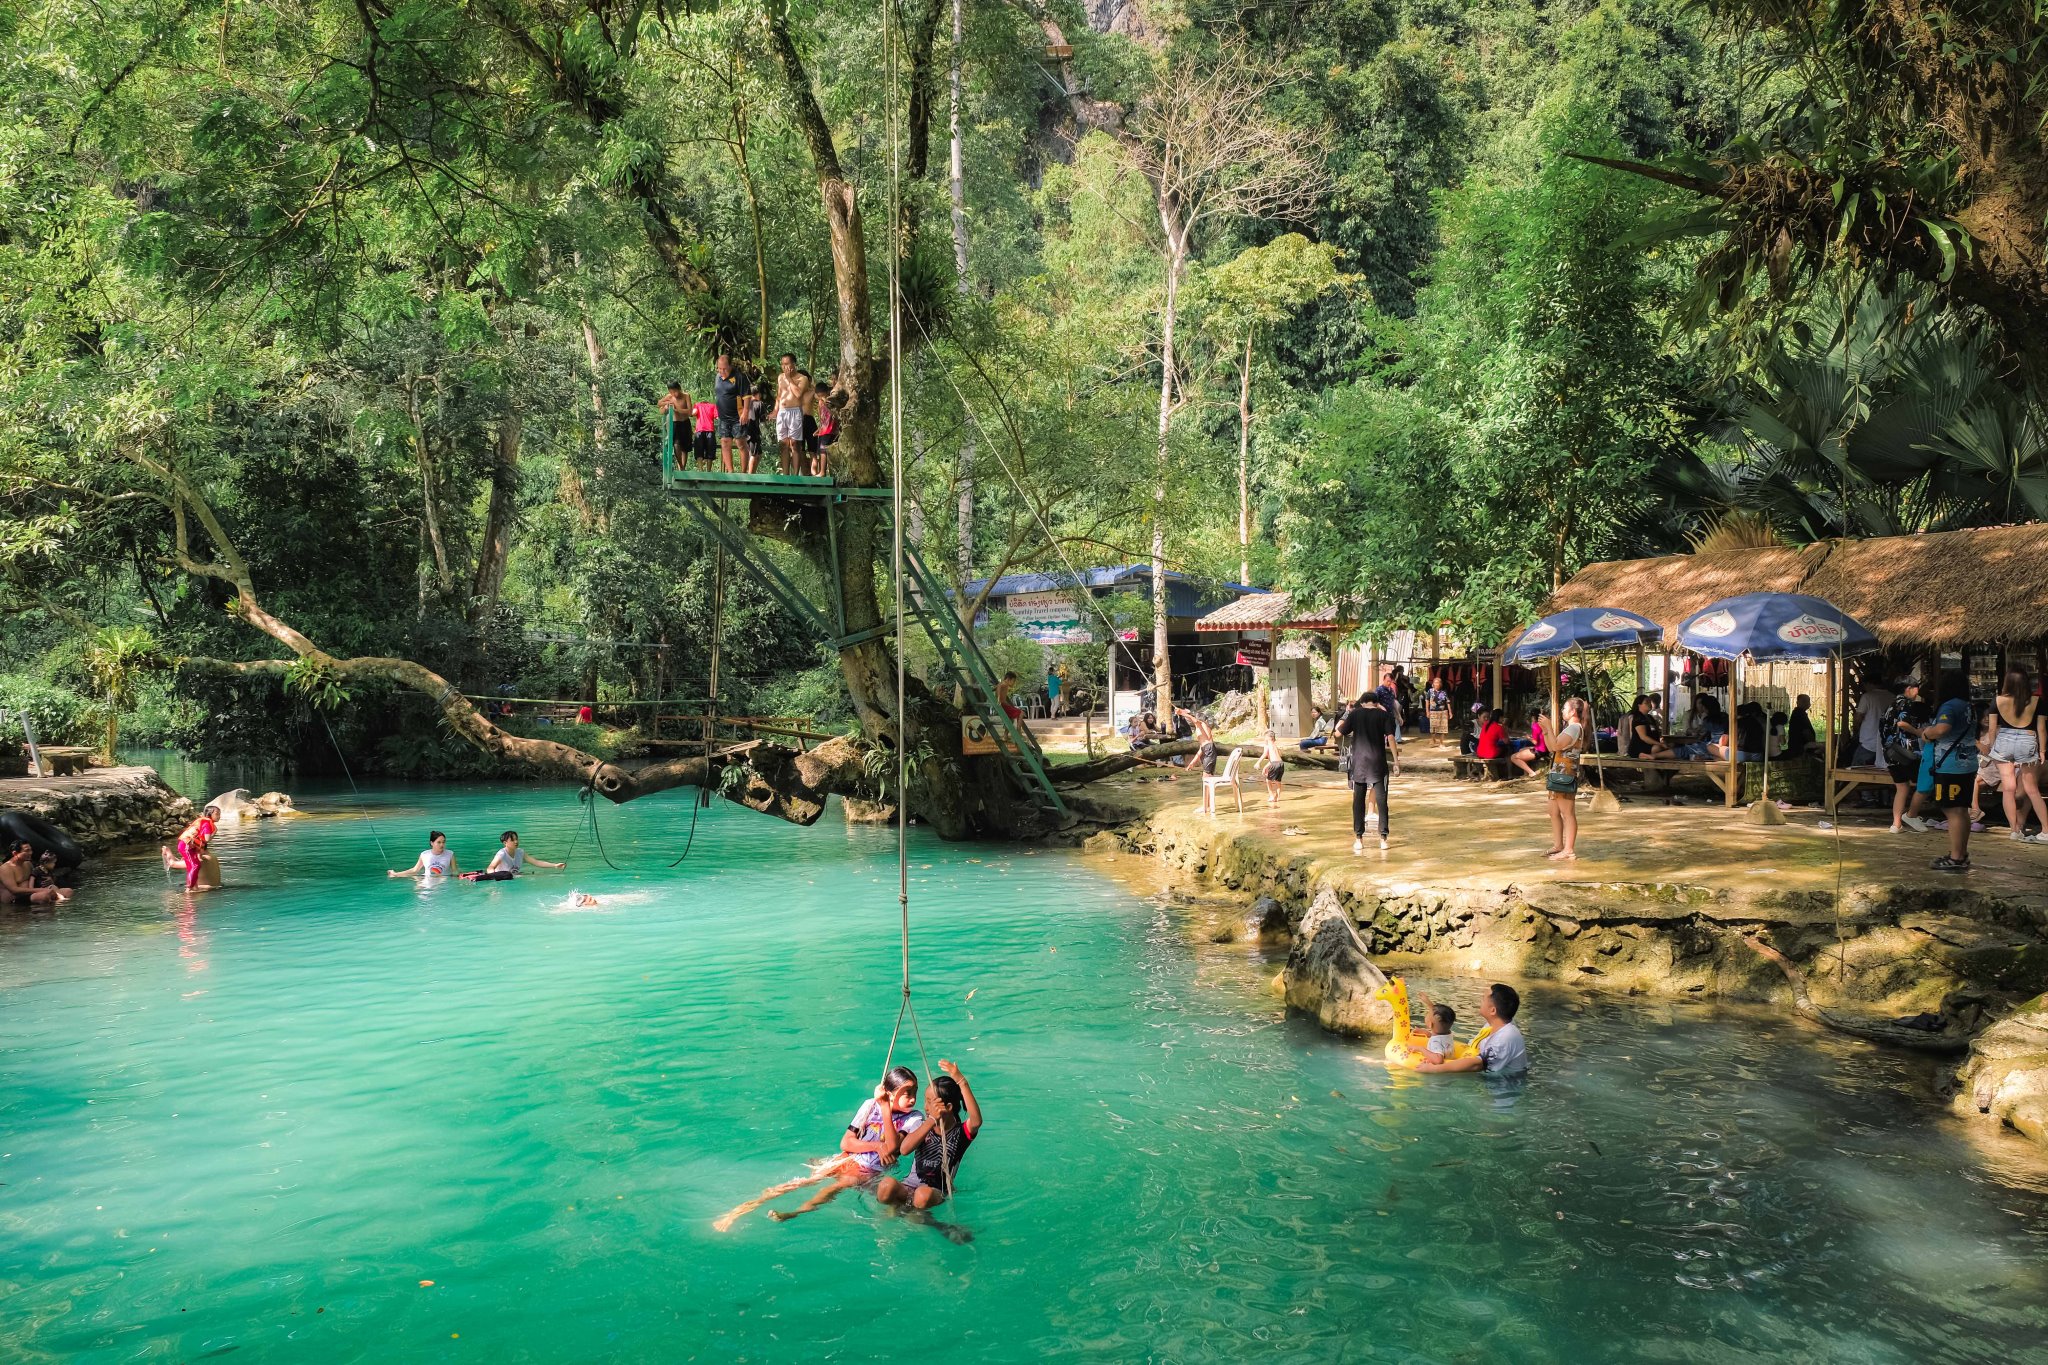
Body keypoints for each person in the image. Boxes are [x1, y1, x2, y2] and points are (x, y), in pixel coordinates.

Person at [768, 1066, 924, 1222]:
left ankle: (796, 1212)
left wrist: (885, 1107)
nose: (913, 1099)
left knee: (835, 1187)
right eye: (907, 1094)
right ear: (889, 1094)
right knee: (806, 1181)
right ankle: (753, 1203)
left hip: (868, 1170)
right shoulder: (870, 1106)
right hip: (847, 1159)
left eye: (915, 1092)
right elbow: (846, 1142)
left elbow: (891, 1147)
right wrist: (877, 1146)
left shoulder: (913, 1118)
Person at [875, 1059, 982, 1213]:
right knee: (886, 1186)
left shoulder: (960, 1133)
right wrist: (931, 1120)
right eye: (925, 1101)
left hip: (934, 1192)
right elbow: (904, 1150)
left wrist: (961, 1081)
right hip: (908, 1186)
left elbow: (976, 1120)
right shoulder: (922, 1126)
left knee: (922, 1195)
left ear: (948, 1107)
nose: (925, 1107)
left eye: (930, 1102)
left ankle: (910, 1215)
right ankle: (899, 1212)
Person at [1920, 673, 1979, 872]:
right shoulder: (1969, 707)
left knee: (1951, 810)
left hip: (1950, 766)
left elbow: (1943, 728)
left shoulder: (1949, 706)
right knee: (1961, 810)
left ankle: (1955, 858)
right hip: (1968, 764)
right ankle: (1961, 854)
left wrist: (1927, 732)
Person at [1987, 667, 2048, 842]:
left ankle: (2015, 830)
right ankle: (2046, 830)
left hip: (2004, 741)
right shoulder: (2037, 701)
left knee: (2008, 789)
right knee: (2032, 789)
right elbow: (2041, 729)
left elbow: (1992, 729)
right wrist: (2042, 750)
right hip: (2028, 740)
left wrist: (1993, 749)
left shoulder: (1997, 700)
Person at [1416, 983, 1528, 1075]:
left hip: (1504, 1088)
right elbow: (1441, 1022)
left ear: (1493, 1011)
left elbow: (1477, 1065)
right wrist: (1431, 1006)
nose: (1480, 1001)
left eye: (1483, 999)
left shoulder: (1506, 1037)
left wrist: (1434, 1069)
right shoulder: (1495, 1025)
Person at [1339, 690, 1396, 853]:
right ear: (1376, 703)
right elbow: (1391, 737)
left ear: (1363, 702)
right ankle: (1383, 839)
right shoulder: (1383, 715)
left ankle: (1359, 839)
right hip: (1379, 764)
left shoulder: (1355, 714)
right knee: (1382, 801)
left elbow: (1340, 732)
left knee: (1358, 802)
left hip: (1359, 764)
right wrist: (1396, 760)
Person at [1881, 679, 1931, 833]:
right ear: (1909, 689)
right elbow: (1902, 723)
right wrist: (1918, 732)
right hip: (1907, 751)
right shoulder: (1906, 704)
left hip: (1891, 752)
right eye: (1917, 688)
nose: (1918, 692)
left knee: (1902, 787)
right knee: (1926, 783)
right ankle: (1911, 815)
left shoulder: (1889, 705)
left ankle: (1896, 825)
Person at [1546, 697, 1587, 860]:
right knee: (1553, 811)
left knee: (1567, 813)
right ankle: (1558, 845)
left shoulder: (1574, 728)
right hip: (1557, 773)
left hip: (1565, 774)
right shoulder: (1569, 728)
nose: (1562, 711)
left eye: (1564, 708)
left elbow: (1555, 745)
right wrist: (1545, 730)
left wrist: (1549, 726)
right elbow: (1551, 747)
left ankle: (1568, 849)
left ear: (1573, 712)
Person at [163, 805, 222, 892]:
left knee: (193, 864)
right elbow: (207, 839)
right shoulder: (206, 823)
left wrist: (199, 851)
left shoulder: (206, 823)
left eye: (219, 814)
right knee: (195, 865)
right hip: (187, 844)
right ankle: (189, 888)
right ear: (209, 814)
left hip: (190, 845)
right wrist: (214, 832)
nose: (219, 816)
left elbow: (202, 841)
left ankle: (194, 886)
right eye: (217, 814)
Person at [471, 830, 565, 881]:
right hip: (503, 879)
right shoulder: (502, 854)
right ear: (505, 843)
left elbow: (536, 862)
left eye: (516, 839)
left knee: (542, 875)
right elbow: (490, 867)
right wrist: (493, 877)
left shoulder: (520, 852)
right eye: (512, 840)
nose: (516, 842)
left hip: (515, 877)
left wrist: (555, 865)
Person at [774, 353, 810, 474]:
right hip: (782, 412)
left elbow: (798, 394)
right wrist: (775, 411)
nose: (784, 367)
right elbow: (779, 396)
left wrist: (789, 378)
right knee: (783, 444)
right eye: (782, 364)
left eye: (787, 364)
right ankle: (785, 473)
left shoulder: (802, 378)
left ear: (794, 364)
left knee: (794, 443)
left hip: (795, 412)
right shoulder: (780, 377)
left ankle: (795, 474)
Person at [1, 841, 70, 904]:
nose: (31, 852)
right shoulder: (5, 868)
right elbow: (14, 890)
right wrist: (41, 890)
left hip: (31, 893)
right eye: (27, 851)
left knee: (68, 891)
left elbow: (37, 877)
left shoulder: (28, 864)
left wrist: (51, 880)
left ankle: (58, 912)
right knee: (44, 896)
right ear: (15, 853)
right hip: (15, 899)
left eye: (31, 850)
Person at [1177, 707, 1220, 809]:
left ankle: (1206, 806)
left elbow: (1195, 720)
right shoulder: (1201, 728)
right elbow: (1201, 748)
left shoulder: (1201, 724)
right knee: (1206, 779)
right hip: (1207, 750)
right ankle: (1207, 805)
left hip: (1209, 751)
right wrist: (1192, 763)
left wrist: (1182, 713)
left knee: (1206, 779)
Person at [711, 353, 746, 473]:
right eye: (719, 368)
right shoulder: (717, 377)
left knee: (740, 442)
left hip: (737, 416)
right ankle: (730, 471)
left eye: (724, 369)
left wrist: (745, 413)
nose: (722, 371)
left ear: (730, 366)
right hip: (723, 417)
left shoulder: (739, 377)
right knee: (725, 443)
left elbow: (747, 397)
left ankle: (744, 472)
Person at [1852, 677, 1895, 768]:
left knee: (1856, 769)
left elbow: (1859, 717)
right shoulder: (1892, 697)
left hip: (1869, 742)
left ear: (1869, 684)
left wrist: (1856, 726)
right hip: (1887, 742)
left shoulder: (1867, 697)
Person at [390, 830, 458, 879]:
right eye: (439, 842)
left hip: (444, 883)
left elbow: (454, 871)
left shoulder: (450, 854)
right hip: (427, 884)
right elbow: (414, 870)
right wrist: (396, 874)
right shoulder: (424, 854)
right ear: (432, 843)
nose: (442, 845)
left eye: (443, 842)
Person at [1627, 694, 1673, 760]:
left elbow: (1656, 731)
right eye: (1646, 702)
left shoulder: (1650, 717)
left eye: (1650, 702)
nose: (1649, 704)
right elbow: (1644, 737)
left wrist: (1662, 741)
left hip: (1650, 745)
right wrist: (1660, 744)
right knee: (1658, 748)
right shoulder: (1638, 718)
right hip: (1638, 747)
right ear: (1639, 705)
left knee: (1671, 745)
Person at [809, 378, 838, 477]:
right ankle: (822, 471)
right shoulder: (820, 403)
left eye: (823, 395)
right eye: (819, 396)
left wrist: (827, 403)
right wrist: (819, 429)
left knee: (825, 451)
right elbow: (822, 419)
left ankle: (822, 472)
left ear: (827, 393)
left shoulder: (831, 401)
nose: (821, 398)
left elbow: (835, 414)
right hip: (823, 430)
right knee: (821, 451)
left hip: (831, 430)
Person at [1510, 712, 1550, 778]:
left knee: (1513, 757)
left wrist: (1528, 738)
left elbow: (1535, 742)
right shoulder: (1544, 725)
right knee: (1521, 750)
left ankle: (1532, 773)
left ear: (1534, 718)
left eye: (1531, 719)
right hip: (1546, 749)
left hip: (1540, 751)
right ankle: (1525, 774)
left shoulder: (1535, 725)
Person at [1475, 707, 1511, 775]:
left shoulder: (1486, 725)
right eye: (1502, 717)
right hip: (1490, 754)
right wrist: (1504, 728)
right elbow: (1507, 742)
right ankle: (1509, 773)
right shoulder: (1499, 727)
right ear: (1499, 717)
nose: (1503, 719)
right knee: (1508, 750)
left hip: (1480, 752)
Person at [1257, 729, 1285, 805]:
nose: (1264, 739)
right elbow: (1274, 760)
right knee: (1278, 781)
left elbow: (1265, 754)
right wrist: (1265, 767)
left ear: (1268, 738)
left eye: (1264, 738)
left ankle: (1271, 796)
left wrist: (1258, 763)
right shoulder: (1275, 746)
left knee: (1268, 780)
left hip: (1275, 764)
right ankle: (1277, 797)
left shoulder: (1267, 745)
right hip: (1281, 763)